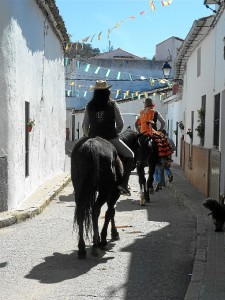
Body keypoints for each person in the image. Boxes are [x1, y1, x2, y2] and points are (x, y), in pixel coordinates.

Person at [82, 80, 134, 195]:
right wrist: (114, 133)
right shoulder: (113, 104)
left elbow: (85, 126)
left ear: (95, 92)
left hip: (93, 138)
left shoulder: (89, 105)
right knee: (130, 155)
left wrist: (88, 136)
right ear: (107, 91)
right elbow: (120, 124)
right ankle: (123, 184)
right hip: (110, 138)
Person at [135, 97, 166, 193]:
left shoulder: (141, 112)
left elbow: (136, 124)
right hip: (152, 134)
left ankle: (136, 160)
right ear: (152, 104)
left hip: (142, 134)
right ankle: (162, 160)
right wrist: (159, 131)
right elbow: (163, 122)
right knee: (163, 144)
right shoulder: (155, 112)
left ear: (145, 104)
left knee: (134, 145)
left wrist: (139, 131)